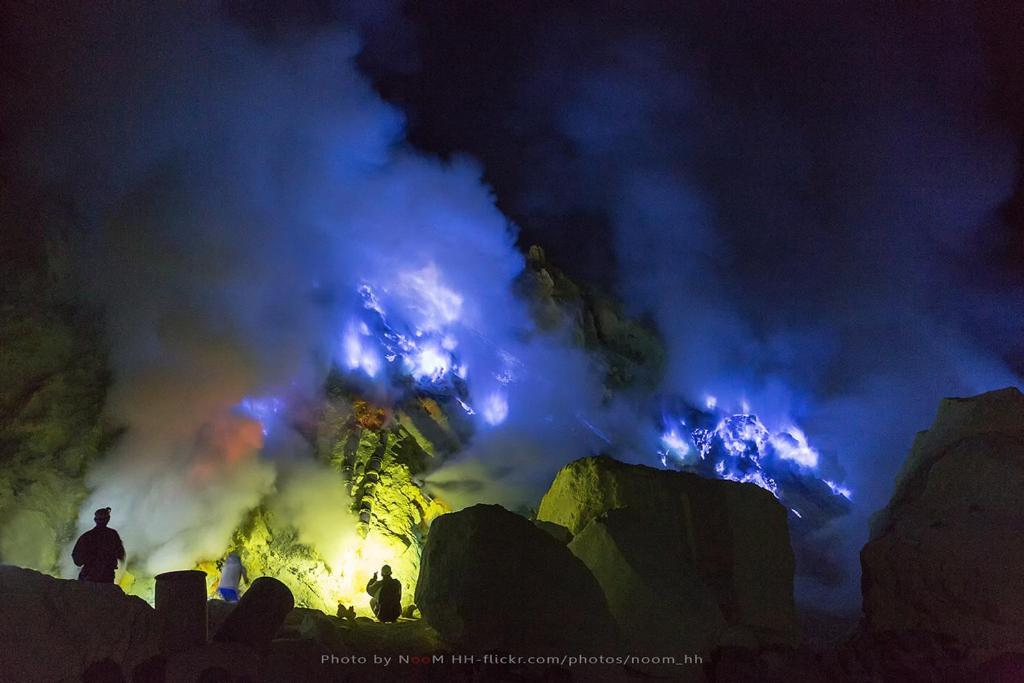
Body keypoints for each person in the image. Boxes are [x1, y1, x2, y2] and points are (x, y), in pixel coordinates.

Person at [71, 507, 126, 583]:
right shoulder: (112, 535)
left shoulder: (87, 536)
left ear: (95, 520)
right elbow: (121, 554)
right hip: (106, 577)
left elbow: (77, 559)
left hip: (89, 576)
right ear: (108, 519)